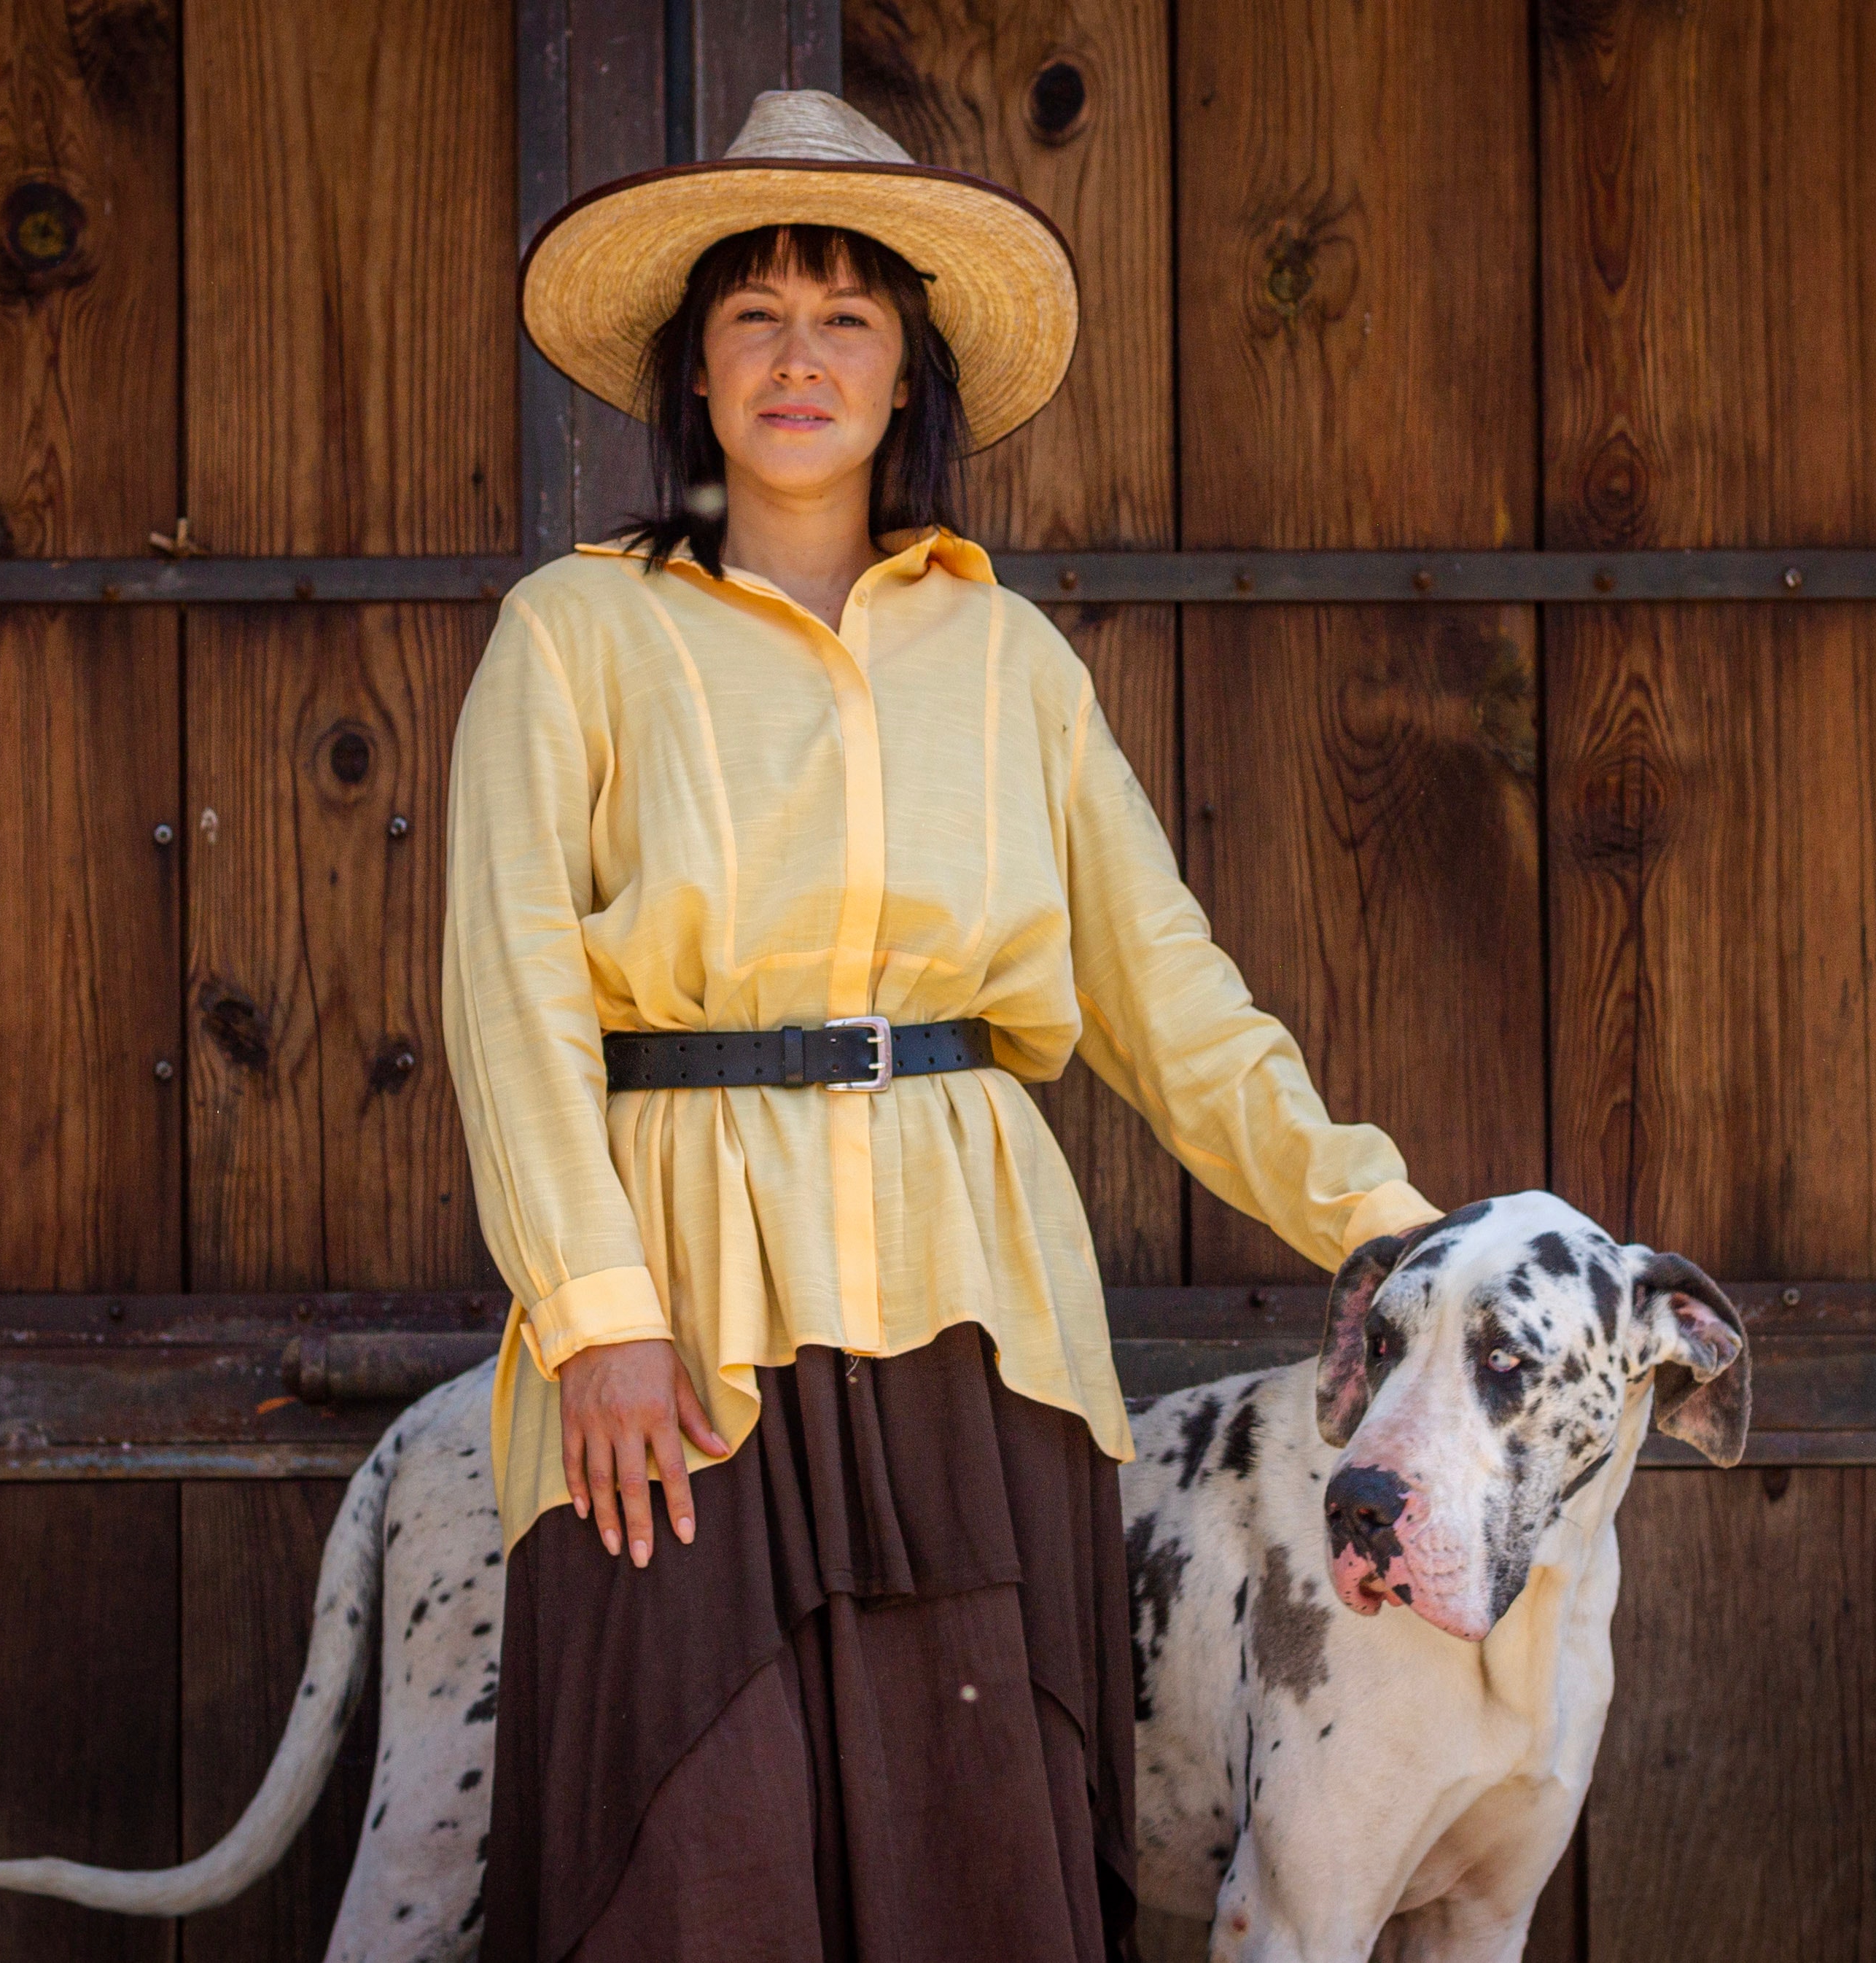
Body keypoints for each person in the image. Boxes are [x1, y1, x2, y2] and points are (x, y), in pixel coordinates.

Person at [450, 88, 1441, 1963]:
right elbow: (507, 999)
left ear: (909, 373)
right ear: (694, 369)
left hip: (975, 1329)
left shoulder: (1011, 663)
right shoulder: (573, 634)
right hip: (682, 1334)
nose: (799, 356)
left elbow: (1170, 992)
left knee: (972, 1861)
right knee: (694, 1859)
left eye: (846, 316)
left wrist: (1378, 1222)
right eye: (756, 314)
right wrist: (597, 1321)